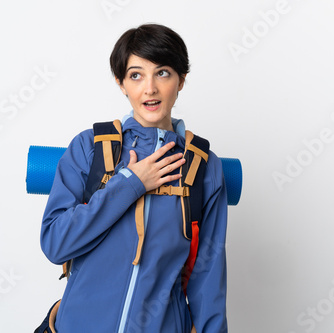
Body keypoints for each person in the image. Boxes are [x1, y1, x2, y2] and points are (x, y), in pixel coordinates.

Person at [40, 23, 228, 333]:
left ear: (181, 80)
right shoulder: (90, 148)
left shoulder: (203, 166)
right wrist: (130, 183)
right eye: (136, 75)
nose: (149, 89)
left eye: (163, 73)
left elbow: (209, 273)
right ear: (121, 83)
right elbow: (56, 244)